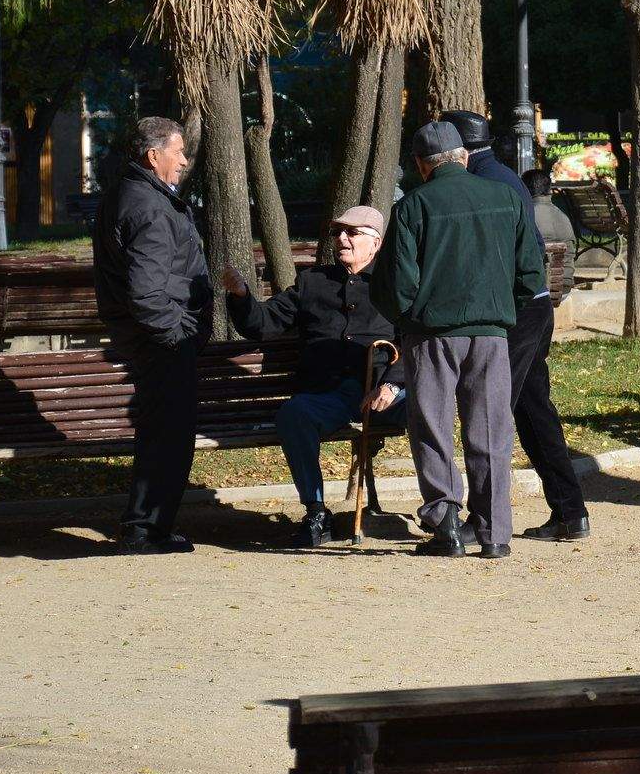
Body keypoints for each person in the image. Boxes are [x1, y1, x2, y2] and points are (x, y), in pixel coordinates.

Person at [379, 120, 546, 560]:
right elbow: (531, 273)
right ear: (464, 156)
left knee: (432, 426)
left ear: (421, 165)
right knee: (491, 430)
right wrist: (502, 309)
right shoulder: (507, 197)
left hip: (431, 334)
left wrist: (410, 316)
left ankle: (446, 523)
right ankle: (494, 534)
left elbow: (397, 283)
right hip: (491, 334)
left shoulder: (413, 205)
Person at [221, 205, 409, 549]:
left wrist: (394, 385)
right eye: (338, 232)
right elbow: (264, 323)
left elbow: (414, 341)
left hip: (386, 391)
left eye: (352, 233)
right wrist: (242, 297)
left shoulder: (396, 283)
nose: (342, 239)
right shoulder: (313, 282)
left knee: (430, 405)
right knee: (295, 414)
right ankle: (316, 512)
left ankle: (442, 509)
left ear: (376, 242)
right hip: (331, 394)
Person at [441, 110, 590, 542]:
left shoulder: (485, 184)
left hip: (517, 313)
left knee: (490, 412)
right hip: (532, 308)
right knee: (532, 410)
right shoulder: (502, 176)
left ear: (459, 149)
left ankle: (484, 519)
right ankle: (569, 511)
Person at [93, 116, 213, 554]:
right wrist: (179, 333)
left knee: (161, 433)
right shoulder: (149, 206)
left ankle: (149, 526)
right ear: (153, 155)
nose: (183, 160)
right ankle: (147, 529)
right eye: (178, 151)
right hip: (161, 341)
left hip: (154, 337)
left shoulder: (133, 195)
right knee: (168, 435)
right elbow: (148, 294)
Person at [523, 167, 576, 252]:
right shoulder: (562, 216)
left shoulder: (527, 216)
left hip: (541, 264)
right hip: (566, 265)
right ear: (549, 190)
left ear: (524, 190)